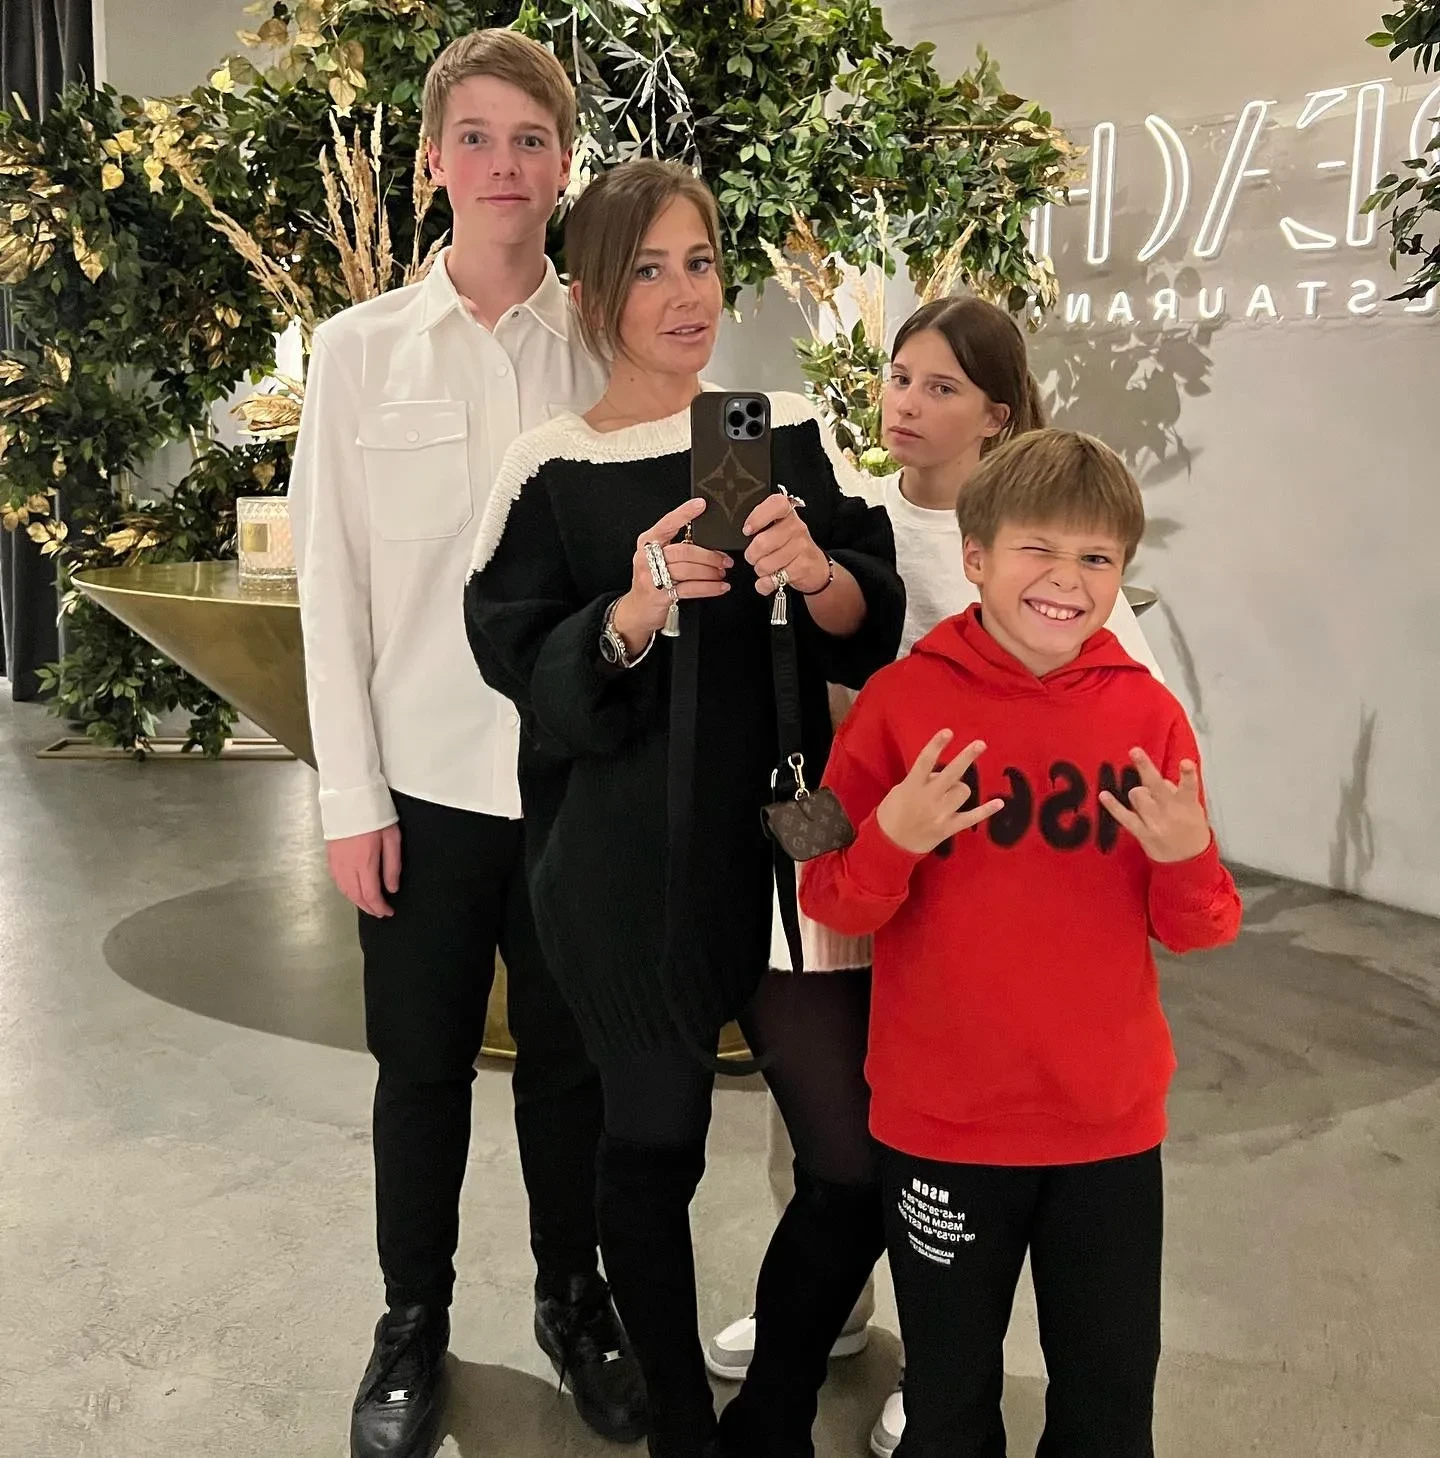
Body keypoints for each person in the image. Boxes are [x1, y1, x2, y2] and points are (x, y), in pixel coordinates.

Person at [463, 157, 906, 1458]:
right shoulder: (553, 467)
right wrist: (634, 609)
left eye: (700, 262)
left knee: (852, 1157)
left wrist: (815, 569)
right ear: (592, 298)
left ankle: (772, 1409)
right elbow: (519, 662)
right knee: (654, 1148)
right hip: (629, 872)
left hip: (786, 858)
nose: (684, 294)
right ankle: (679, 1428)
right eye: (648, 269)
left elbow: (867, 619)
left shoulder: (775, 429)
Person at [707, 295, 1164, 1458]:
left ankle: (939, 1360)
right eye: (899, 378)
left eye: (942, 386)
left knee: (951, 1143)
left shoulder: (1038, 537)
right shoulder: (851, 513)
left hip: (974, 894)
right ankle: (839, 1315)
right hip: (851, 852)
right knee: (830, 1131)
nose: (907, 404)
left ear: (997, 413)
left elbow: (1135, 713)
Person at [288, 30, 646, 1458]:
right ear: (435, 161)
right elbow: (331, 587)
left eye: (533, 139)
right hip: (424, 788)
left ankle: (575, 1297)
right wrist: (350, 797)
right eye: (479, 138)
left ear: (565, 166)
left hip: (577, 784)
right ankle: (411, 1320)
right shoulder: (359, 352)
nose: (506, 165)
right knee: (422, 1068)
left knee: (573, 1070)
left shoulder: (609, 346)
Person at [801, 428, 1244, 1457]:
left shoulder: (1149, 717)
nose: (1066, 579)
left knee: (1109, 1401)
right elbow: (829, 899)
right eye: (1037, 548)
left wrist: (1185, 857)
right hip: (942, 1125)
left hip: (1107, 1127)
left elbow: (1203, 926)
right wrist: (893, 837)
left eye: (1097, 557)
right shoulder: (898, 706)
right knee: (949, 1400)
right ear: (976, 557)